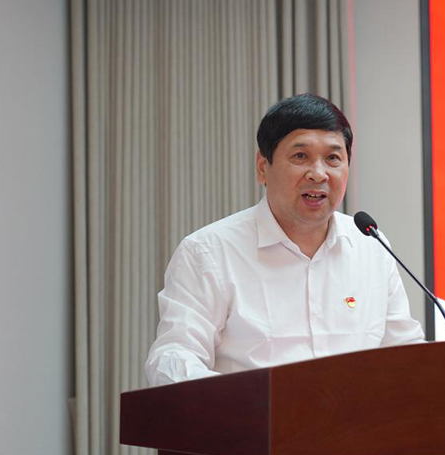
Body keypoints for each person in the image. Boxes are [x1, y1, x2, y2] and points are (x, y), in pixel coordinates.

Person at [145, 94, 424, 386]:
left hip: (355, 416)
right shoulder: (208, 252)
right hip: (256, 414)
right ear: (262, 167)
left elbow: (405, 353)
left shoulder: (370, 246)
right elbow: (173, 356)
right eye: (300, 156)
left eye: (333, 158)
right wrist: (241, 402)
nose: (318, 174)